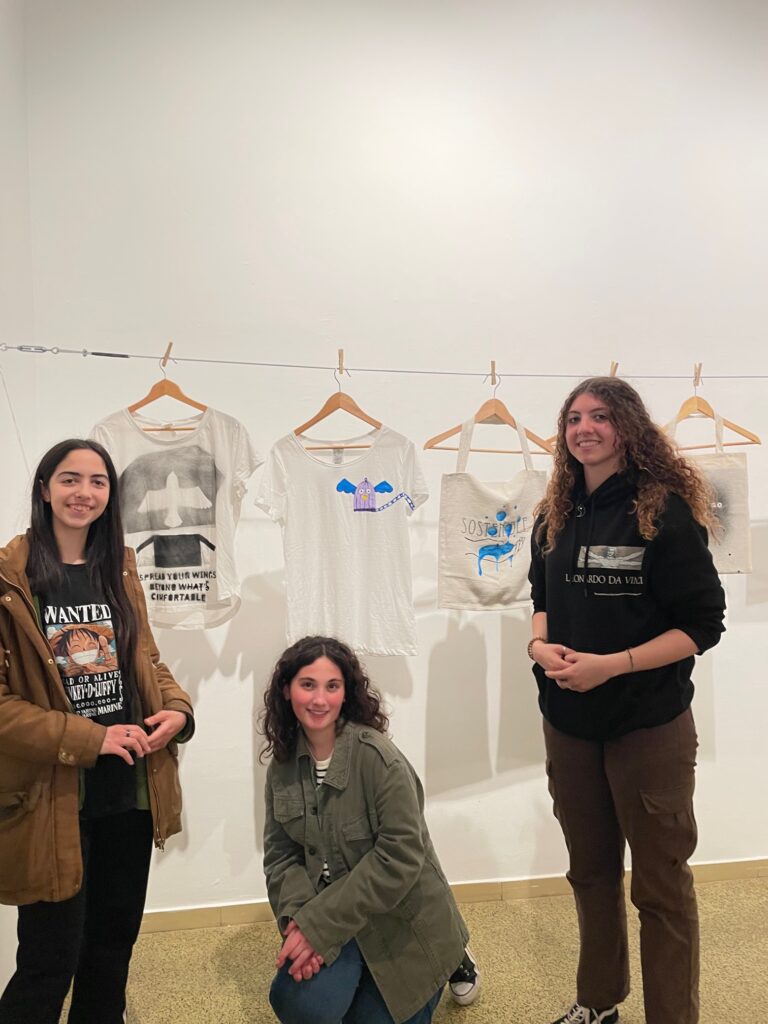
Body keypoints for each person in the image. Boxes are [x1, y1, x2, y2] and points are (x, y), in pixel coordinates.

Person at [528, 378, 725, 1024]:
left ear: (628, 428)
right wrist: (538, 647)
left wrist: (612, 666)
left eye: (600, 416)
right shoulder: (553, 514)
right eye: (574, 418)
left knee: (660, 887)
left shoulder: (664, 511)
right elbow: (541, 600)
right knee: (590, 873)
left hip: (649, 727)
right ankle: (599, 1001)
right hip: (569, 726)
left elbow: (702, 625)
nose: (584, 428)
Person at [0, 439, 194, 1024]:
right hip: (53, 799)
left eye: (98, 481)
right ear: (44, 489)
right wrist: (93, 739)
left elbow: (148, 660)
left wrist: (178, 710)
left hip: (129, 792)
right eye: (69, 479)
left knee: (112, 949)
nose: (84, 493)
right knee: (48, 961)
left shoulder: (120, 569)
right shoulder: (10, 580)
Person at [260, 636, 469, 1024]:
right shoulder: (281, 767)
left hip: (402, 920)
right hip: (336, 911)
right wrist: (300, 923)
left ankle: (454, 956)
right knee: (299, 1005)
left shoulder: (379, 760)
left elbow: (399, 858)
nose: (319, 699)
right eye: (307, 684)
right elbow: (280, 856)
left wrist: (318, 924)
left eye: (332, 686)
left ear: (346, 693)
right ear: (287, 690)